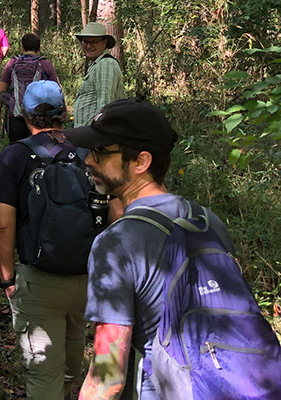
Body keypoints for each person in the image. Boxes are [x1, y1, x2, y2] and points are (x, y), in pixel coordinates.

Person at [62, 99, 227, 400]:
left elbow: (107, 376)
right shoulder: (207, 220)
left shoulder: (116, 244)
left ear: (141, 162)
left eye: (100, 152)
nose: (88, 160)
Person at [0, 81, 87, 400]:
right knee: (74, 359)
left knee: (44, 376)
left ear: (25, 114)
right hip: (88, 278)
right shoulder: (88, 151)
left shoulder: (14, 156)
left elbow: (3, 225)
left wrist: (7, 279)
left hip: (39, 281)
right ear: (64, 112)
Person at [0, 33, 60, 144]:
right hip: (38, 117)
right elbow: (55, 91)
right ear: (39, 48)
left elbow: (1, 90)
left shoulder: (12, 63)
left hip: (15, 115)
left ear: (22, 48)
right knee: (37, 150)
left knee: (16, 148)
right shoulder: (45, 64)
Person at [73, 22, 125, 128]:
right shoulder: (97, 64)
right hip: (88, 134)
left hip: (95, 136)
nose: (88, 46)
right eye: (85, 42)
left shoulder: (105, 64)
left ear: (104, 42)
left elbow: (105, 106)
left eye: (94, 42)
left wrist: (97, 137)